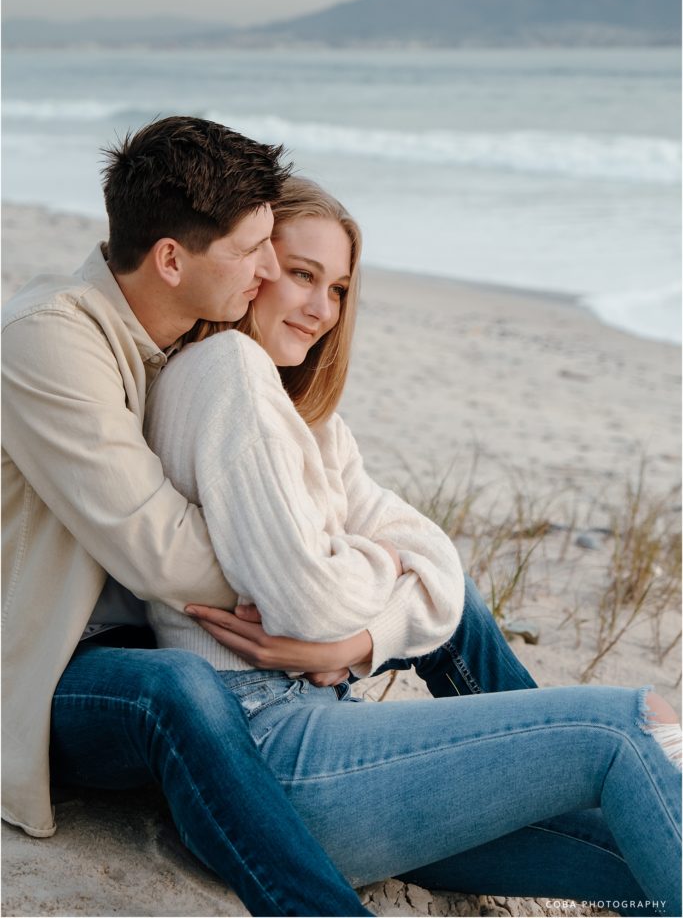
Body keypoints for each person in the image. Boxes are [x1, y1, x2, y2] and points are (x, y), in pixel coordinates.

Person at [143, 176, 682, 918]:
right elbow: (310, 604)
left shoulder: (309, 421)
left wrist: (357, 641)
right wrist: (385, 566)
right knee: (630, 724)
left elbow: (436, 556)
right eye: (301, 274)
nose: (320, 308)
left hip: (334, 746)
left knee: (640, 836)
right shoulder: (225, 370)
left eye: (337, 288)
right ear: (253, 266)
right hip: (275, 760)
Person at [1, 116, 374, 918]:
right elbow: (160, 551)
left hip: (145, 637)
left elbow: (340, 510)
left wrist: (345, 613)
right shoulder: (47, 340)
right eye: (253, 250)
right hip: (46, 666)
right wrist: (299, 590)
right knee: (179, 689)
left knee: (457, 604)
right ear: (171, 260)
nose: (270, 271)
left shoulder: (188, 343)